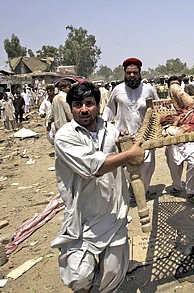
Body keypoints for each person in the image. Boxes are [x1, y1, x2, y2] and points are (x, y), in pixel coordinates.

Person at [51, 82, 145, 293]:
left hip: (113, 213)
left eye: (89, 103)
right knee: (79, 276)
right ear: (70, 107)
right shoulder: (65, 136)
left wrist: (125, 147)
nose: (84, 109)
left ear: (98, 105)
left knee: (112, 274)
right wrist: (128, 155)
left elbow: (127, 156)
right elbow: (93, 166)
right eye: (78, 104)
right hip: (82, 217)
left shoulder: (110, 130)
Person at [102, 57, 159, 192]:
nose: (132, 75)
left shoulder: (149, 90)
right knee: (127, 168)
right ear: (125, 74)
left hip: (146, 135)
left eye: (135, 72)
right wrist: (103, 126)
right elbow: (109, 109)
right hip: (124, 137)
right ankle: (134, 191)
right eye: (129, 73)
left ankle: (142, 192)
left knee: (147, 166)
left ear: (140, 73)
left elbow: (157, 108)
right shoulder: (117, 90)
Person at [164, 76, 194, 202]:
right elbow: (162, 119)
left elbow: (193, 108)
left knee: (193, 162)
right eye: (173, 84)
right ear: (168, 86)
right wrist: (175, 120)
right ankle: (177, 186)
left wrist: (181, 118)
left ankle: (191, 191)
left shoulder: (185, 100)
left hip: (188, 134)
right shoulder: (165, 104)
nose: (176, 87)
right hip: (174, 136)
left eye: (178, 84)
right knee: (175, 165)